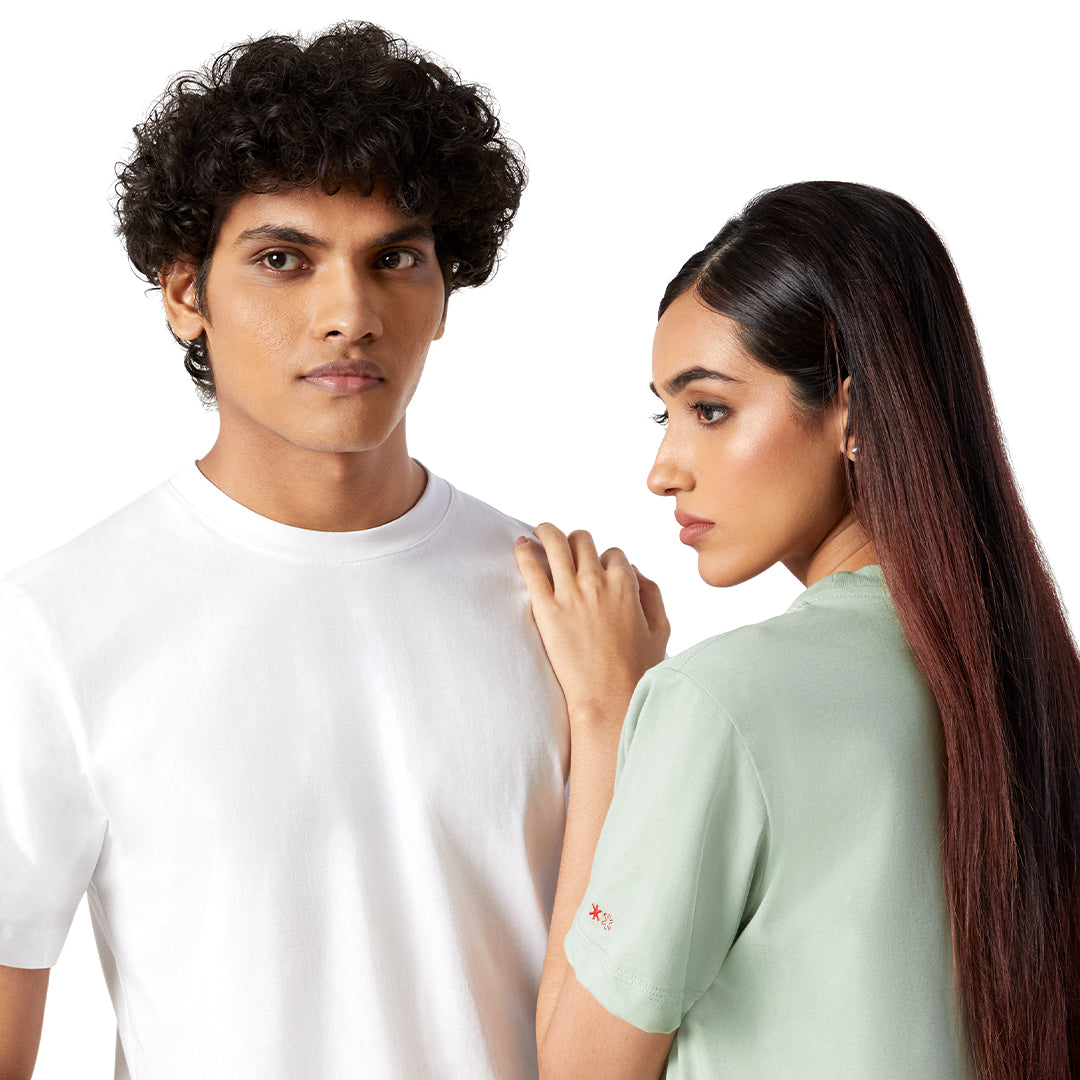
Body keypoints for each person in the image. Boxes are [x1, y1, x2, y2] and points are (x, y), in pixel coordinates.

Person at [0, 24, 568, 1080]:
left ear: (444, 291)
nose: (349, 313)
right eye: (282, 260)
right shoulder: (55, 625)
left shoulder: (560, 606)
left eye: (394, 258)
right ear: (186, 295)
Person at [516, 181, 1080, 1080]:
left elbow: (581, 1072)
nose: (664, 470)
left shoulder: (718, 702)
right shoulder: (1039, 687)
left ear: (855, 413)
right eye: (666, 414)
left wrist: (608, 713)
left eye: (709, 410)